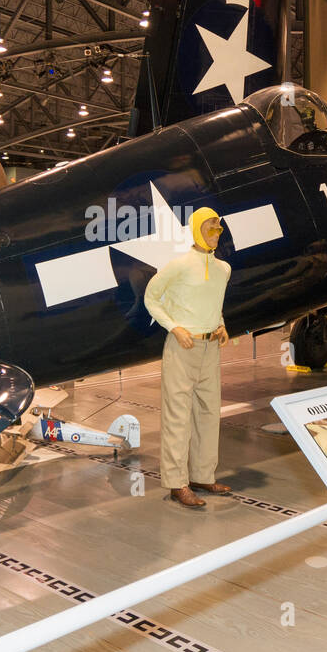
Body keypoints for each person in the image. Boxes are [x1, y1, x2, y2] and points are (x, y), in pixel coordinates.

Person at [144, 207, 232, 509]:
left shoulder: (223, 269)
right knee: (177, 416)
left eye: (218, 228)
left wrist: (220, 324)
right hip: (182, 347)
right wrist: (175, 327)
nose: (215, 233)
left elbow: (212, 303)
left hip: (210, 347)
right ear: (196, 229)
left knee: (209, 413)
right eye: (209, 227)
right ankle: (176, 483)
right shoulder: (178, 266)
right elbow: (151, 298)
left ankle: (203, 475)